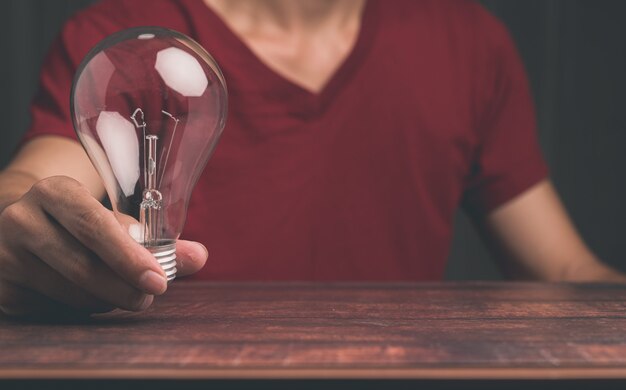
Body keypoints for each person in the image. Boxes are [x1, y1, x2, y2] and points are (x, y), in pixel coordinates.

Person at [0, 0, 623, 318]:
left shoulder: (467, 42)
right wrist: (18, 228)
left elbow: (566, 265)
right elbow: (33, 188)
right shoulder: (126, 41)